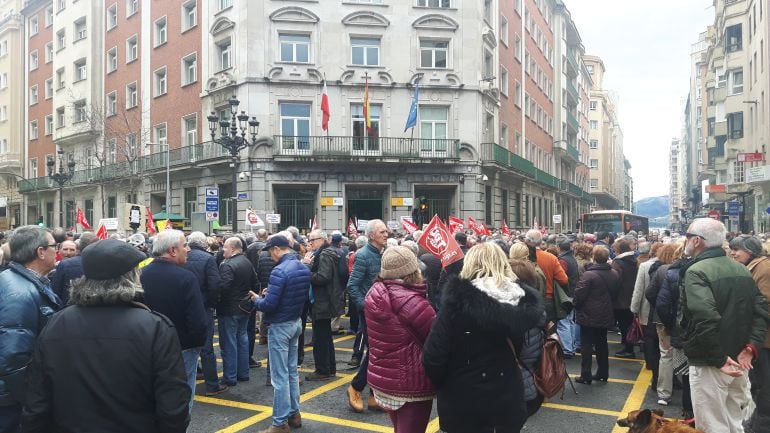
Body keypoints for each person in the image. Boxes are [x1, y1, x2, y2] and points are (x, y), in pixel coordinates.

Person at [21, 240, 190, 433]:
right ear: (132, 276)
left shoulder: (57, 323)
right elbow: (173, 406)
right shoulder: (156, 327)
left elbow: (37, 401)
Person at [423, 243, 544, 433]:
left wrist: (445, 385)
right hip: (507, 394)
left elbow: (433, 356)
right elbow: (531, 350)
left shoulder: (456, 303)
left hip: (463, 397)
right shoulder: (522, 301)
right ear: (502, 263)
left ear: (470, 263)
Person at [680, 219, 767, 433]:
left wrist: (719, 359)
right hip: (738, 358)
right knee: (733, 422)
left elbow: (704, 318)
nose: (686, 240)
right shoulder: (742, 269)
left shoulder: (696, 271)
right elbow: (760, 313)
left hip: (713, 361)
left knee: (712, 425)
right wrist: (750, 348)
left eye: (688, 235)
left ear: (697, 241)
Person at [366, 246, 436, 432]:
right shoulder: (413, 303)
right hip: (410, 382)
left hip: (384, 377)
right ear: (411, 271)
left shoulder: (375, 293)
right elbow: (435, 339)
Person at [0, 226, 62, 432]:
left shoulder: (23, 282)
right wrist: (33, 403)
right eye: (55, 246)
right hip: (12, 402)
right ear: (41, 252)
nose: (58, 251)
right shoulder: (20, 293)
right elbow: (13, 357)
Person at [140, 229, 207, 412]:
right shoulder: (186, 277)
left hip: (147, 346)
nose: (189, 249)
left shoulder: (140, 275)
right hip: (182, 347)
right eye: (185, 245)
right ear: (172, 250)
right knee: (182, 398)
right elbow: (197, 320)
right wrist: (196, 345)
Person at [251, 235, 311, 433]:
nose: (270, 255)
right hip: (295, 323)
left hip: (280, 326)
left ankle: (279, 423)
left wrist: (257, 300)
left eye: (270, 251)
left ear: (277, 248)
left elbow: (269, 305)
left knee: (279, 377)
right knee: (292, 371)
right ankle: (294, 414)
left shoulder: (279, 270)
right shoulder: (303, 266)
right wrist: (273, 292)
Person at [727, 235, 770, 432]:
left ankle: (760, 426)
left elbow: (763, 306)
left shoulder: (764, 269)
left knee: (763, 386)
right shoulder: (754, 267)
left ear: (750, 251)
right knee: (758, 385)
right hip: (760, 339)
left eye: (737, 249)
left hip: (765, 340)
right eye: (732, 249)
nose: (733, 253)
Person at [347, 219, 388, 413]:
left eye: (386, 231)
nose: (386, 234)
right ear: (371, 235)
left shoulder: (383, 253)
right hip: (369, 312)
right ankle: (355, 387)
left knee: (379, 352)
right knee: (375, 352)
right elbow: (352, 286)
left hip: (383, 312)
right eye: (382, 232)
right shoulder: (363, 255)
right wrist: (365, 306)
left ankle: (374, 396)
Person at [183, 231, 226, 396]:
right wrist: (212, 304)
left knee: (186, 345)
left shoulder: (181, 256)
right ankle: (212, 385)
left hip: (185, 306)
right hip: (203, 307)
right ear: (204, 244)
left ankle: (190, 378)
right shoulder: (208, 258)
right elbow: (215, 284)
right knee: (206, 347)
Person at [573, 246, 620, 384]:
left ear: (594, 257)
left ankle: (585, 374)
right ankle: (603, 372)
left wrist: (576, 305)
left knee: (586, 345)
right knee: (602, 344)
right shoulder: (614, 273)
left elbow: (579, 295)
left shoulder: (589, 275)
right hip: (605, 313)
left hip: (588, 315)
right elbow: (615, 294)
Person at [217, 237, 259, 387]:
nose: (223, 250)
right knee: (242, 339)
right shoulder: (247, 262)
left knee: (229, 343)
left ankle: (230, 377)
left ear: (233, 249)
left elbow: (223, 287)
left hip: (229, 308)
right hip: (245, 307)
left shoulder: (227, 265)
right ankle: (243, 373)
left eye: (225, 248)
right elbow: (255, 282)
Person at [304, 230, 345, 381]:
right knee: (325, 336)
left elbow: (323, 277)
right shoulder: (327, 252)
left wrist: (307, 269)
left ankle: (322, 370)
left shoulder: (325, 254)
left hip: (323, 301)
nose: (310, 243)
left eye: (312, 240)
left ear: (322, 240)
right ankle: (329, 368)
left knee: (321, 338)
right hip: (325, 300)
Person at [50, 232, 98, 305]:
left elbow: (55, 292)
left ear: (77, 248)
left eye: (72, 250)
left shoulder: (65, 265)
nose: (68, 253)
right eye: (65, 249)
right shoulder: (103, 263)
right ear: (59, 250)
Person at [610, 238, 638, 358]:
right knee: (628, 323)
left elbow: (614, 281)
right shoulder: (633, 260)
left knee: (624, 324)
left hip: (620, 298)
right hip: (630, 296)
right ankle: (627, 344)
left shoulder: (617, 263)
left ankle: (628, 348)